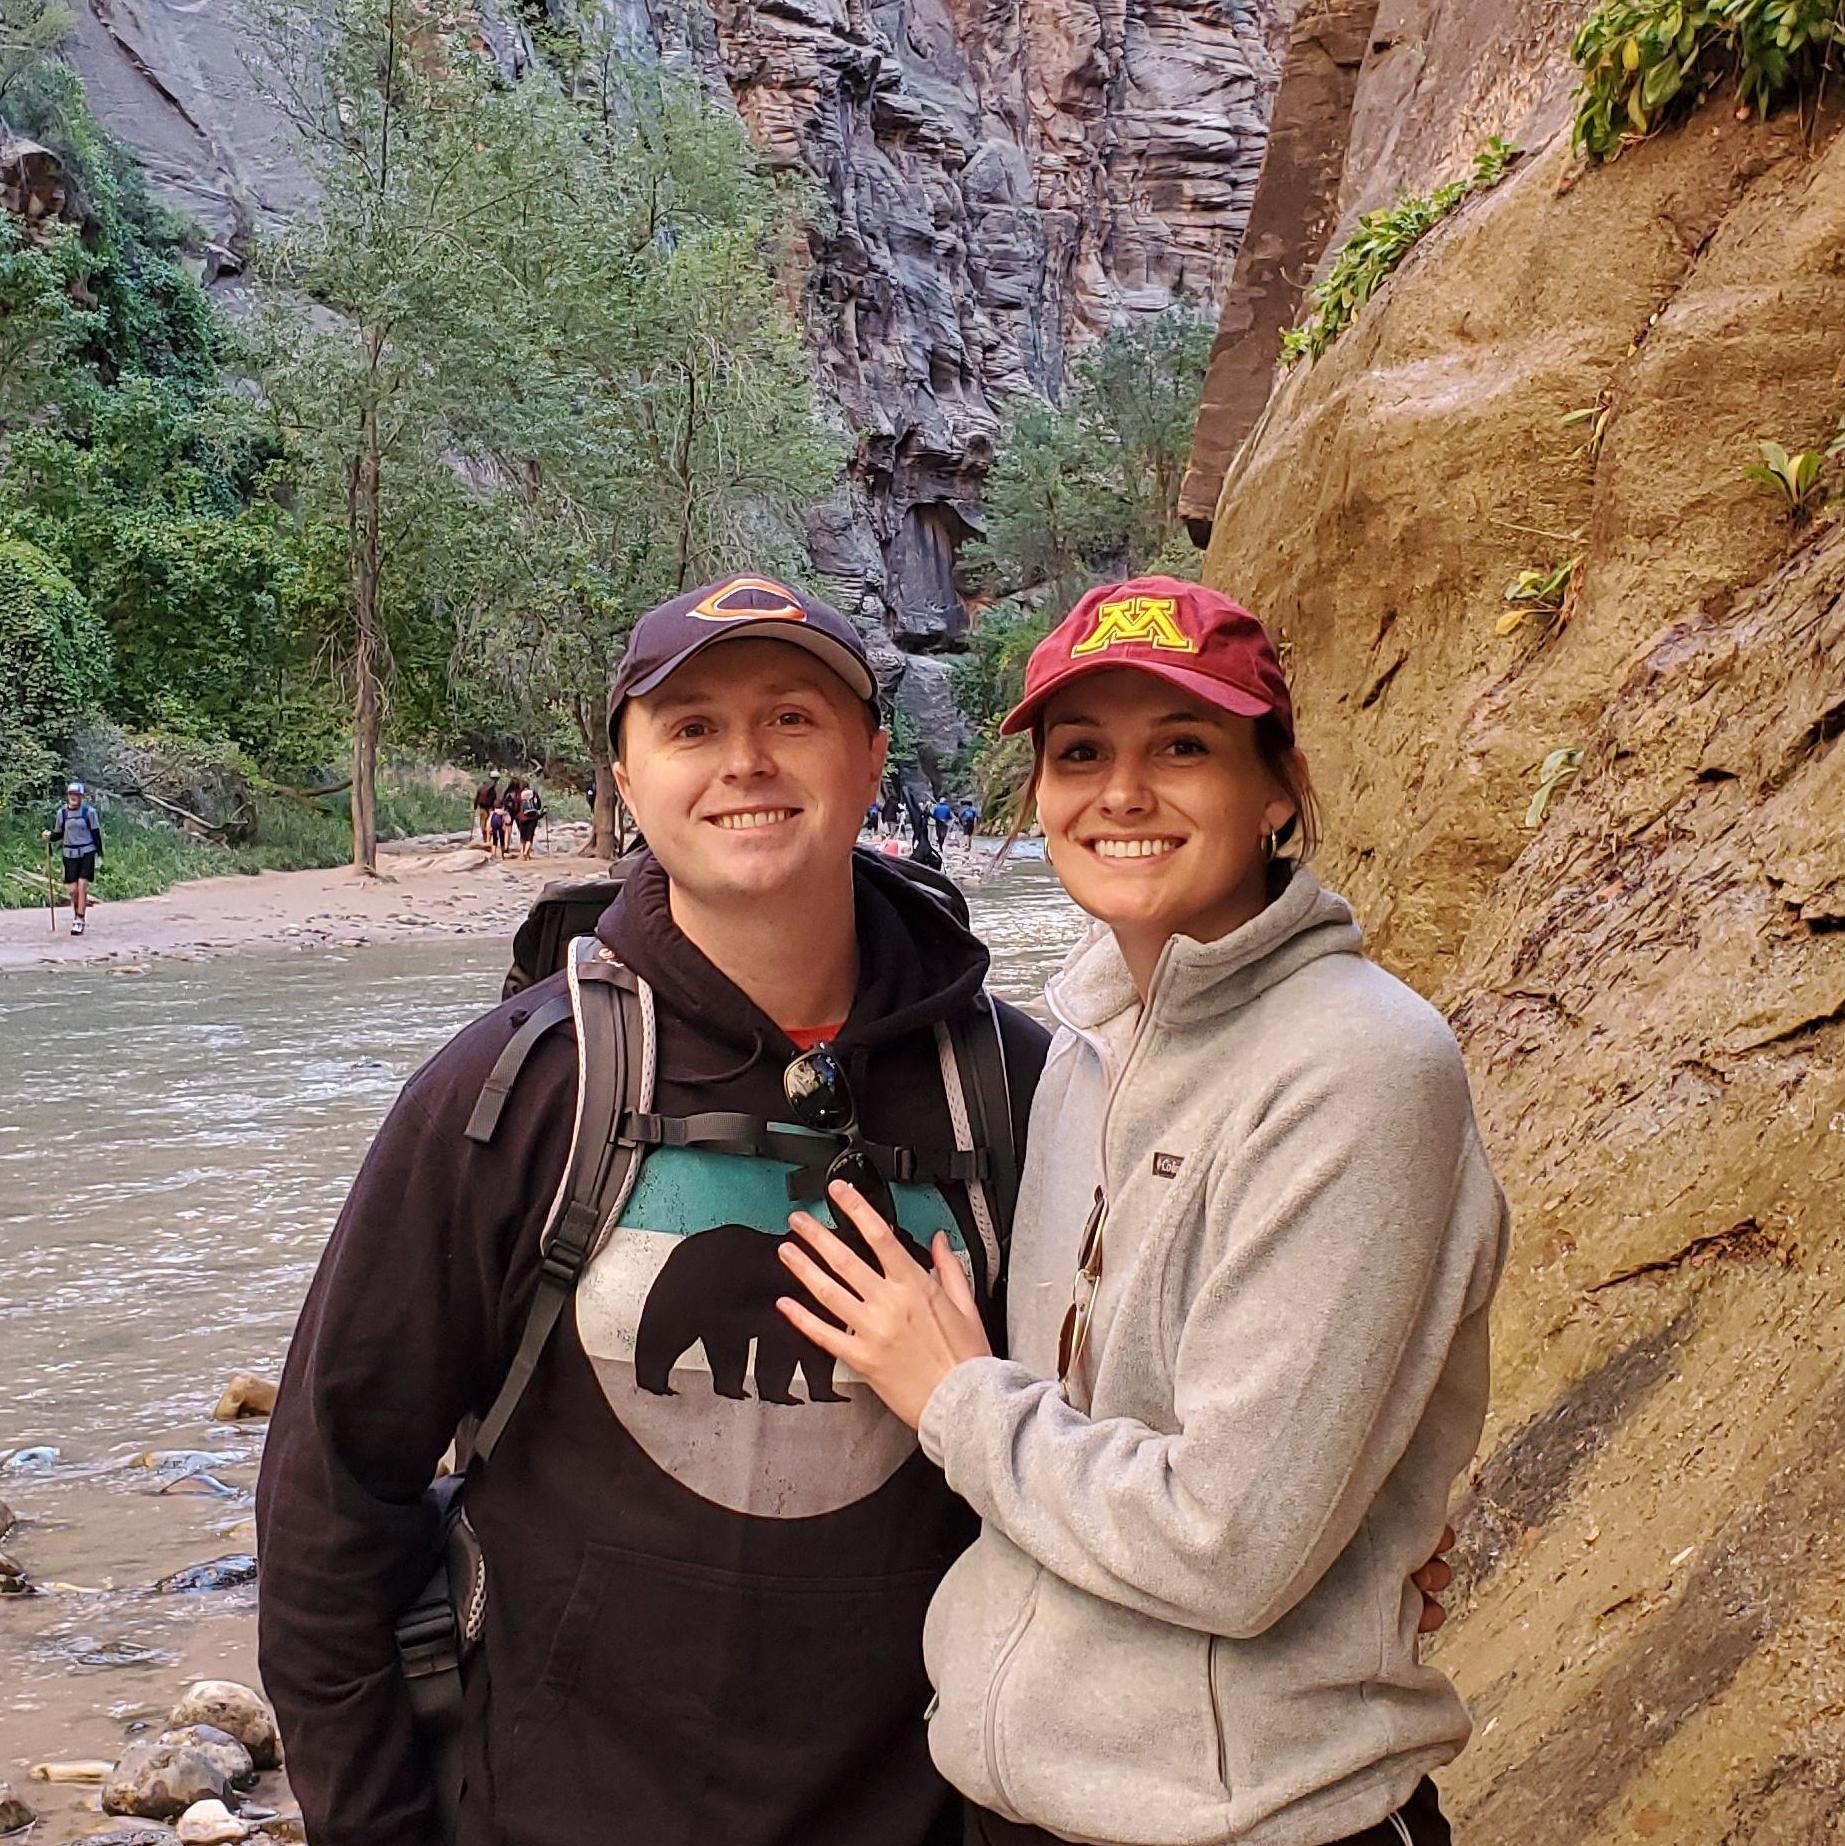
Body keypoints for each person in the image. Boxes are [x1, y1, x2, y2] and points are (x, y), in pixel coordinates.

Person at [255, 573, 1052, 1846]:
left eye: (792, 717)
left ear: (870, 758)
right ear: (627, 781)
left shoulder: (1012, 1087)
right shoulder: (518, 1090)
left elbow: (1113, 1460)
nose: (746, 761)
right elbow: (332, 1497)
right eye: (692, 727)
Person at [774, 577, 1506, 1846]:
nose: (1121, 792)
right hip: (1022, 1799)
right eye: (1080, 753)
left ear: (1278, 790)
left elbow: (1228, 1544)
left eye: (1183, 747)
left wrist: (951, 1395)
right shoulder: (1083, 1046)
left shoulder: (1359, 1067)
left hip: (1253, 1816)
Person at [43, 781, 103, 935]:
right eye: (71, 794)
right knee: (72, 890)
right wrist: (49, 837)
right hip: (69, 854)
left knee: (82, 885)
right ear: (68, 796)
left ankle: (80, 919)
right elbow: (59, 833)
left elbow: (96, 833)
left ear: (81, 797)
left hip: (87, 852)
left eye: (77, 795)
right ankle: (77, 913)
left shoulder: (89, 812)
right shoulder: (62, 813)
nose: (74, 797)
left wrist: (99, 854)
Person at [516, 782, 543, 860]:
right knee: (529, 836)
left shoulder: (519, 795)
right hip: (532, 818)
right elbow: (538, 806)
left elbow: (516, 806)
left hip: (522, 818)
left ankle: (523, 853)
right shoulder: (534, 793)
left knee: (523, 837)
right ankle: (526, 853)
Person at [473, 777, 499, 846]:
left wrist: (475, 806)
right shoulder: (493, 790)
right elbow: (495, 800)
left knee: (482, 824)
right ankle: (488, 840)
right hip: (490, 809)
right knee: (489, 824)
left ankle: (485, 840)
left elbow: (476, 798)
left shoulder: (480, 789)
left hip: (482, 808)